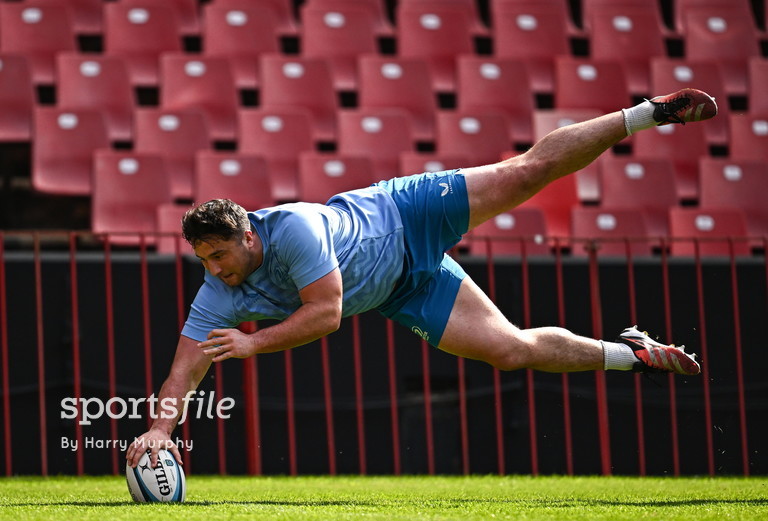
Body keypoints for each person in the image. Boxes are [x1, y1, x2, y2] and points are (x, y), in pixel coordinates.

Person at [127, 88, 716, 468]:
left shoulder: (295, 229)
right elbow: (187, 364)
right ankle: (633, 355)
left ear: (248, 235)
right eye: (203, 259)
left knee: (523, 176)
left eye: (219, 255)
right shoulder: (217, 289)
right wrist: (158, 430)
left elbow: (327, 314)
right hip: (402, 286)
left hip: (404, 212)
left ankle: (648, 113)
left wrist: (253, 342)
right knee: (510, 351)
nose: (214, 269)